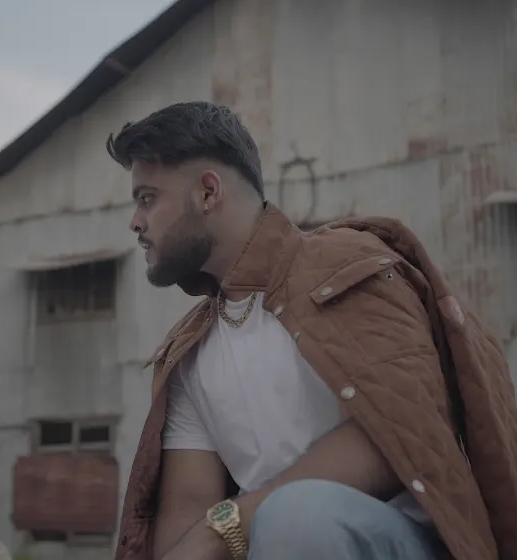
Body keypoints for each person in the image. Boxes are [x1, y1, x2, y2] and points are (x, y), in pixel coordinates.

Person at [106, 102, 517, 560]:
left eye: (147, 198)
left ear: (208, 192)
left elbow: (398, 432)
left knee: (297, 517)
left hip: (405, 542)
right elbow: (187, 520)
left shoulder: (347, 266)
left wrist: (227, 525)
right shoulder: (190, 353)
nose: (135, 222)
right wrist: (216, 533)